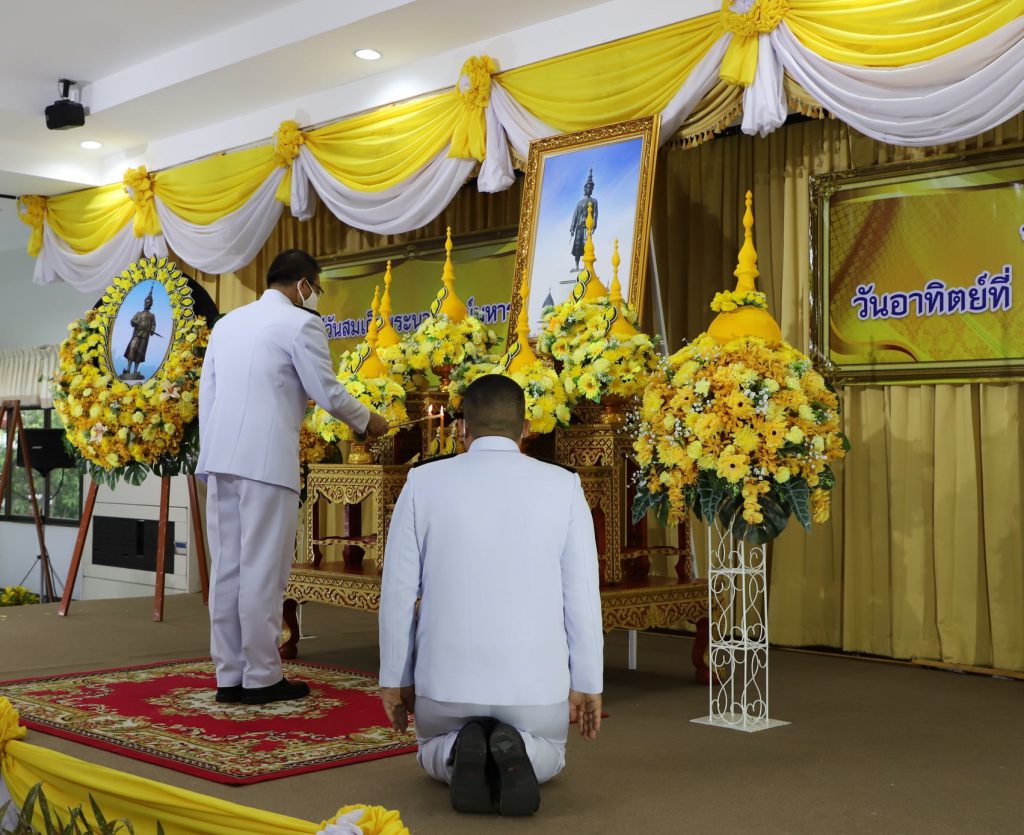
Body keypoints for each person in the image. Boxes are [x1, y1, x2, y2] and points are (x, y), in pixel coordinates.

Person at [378, 374, 604, 816]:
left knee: (426, 748)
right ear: (526, 429)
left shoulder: (422, 482)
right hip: (535, 689)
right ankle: (522, 747)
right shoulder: (564, 485)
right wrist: (588, 683)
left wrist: (395, 679)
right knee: (553, 753)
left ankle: (453, 749)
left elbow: (398, 593)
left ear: (462, 428)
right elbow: (582, 597)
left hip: (445, 685)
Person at [197, 248, 389, 706]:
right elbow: (328, 391)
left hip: (221, 459)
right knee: (263, 569)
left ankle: (229, 675)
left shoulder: (227, 324)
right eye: (316, 288)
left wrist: (212, 452)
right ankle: (262, 677)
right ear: (303, 284)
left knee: (228, 569)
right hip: (265, 463)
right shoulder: (300, 324)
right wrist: (368, 420)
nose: (315, 296)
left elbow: (209, 395)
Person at [122, 285, 158, 378]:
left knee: (139, 352)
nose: (147, 303)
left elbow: (153, 324)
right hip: (136, 335)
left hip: (144, 337)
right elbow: (132, 321)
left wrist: (152, 330)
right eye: (146, 302)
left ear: (151, 304)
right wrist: (135, 322)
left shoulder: (152, 315)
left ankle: (135, 370)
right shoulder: (138, 313)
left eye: (148, 302)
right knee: (132, 349)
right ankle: (128, 369)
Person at [569, 168, 598, 271]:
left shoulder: (594, 201)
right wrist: (572, 228)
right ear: (585, 189)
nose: (589, 190)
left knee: (586, 245)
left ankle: (586, 266)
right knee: (577, 247)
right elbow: (575, 215)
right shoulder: (579, 203)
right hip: (578, 228)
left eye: (591, 188)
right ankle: (577, 266)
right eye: (588, 188)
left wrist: (594, 226)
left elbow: (595, 214)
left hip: (587, 227)